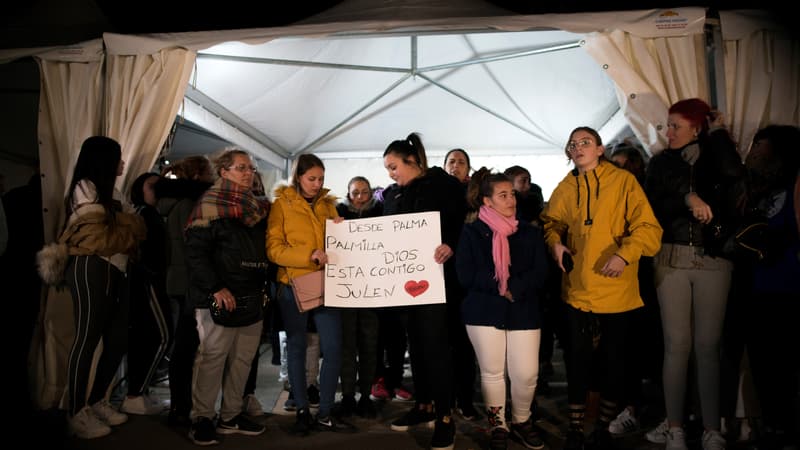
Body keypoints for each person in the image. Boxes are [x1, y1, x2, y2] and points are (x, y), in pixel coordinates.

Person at [541, 126, 662, 450]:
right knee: (577, 361)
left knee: (614, 363)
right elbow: (550, 222)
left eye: (585, 142)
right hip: (578, 290)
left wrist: (624, 255)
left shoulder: (623, 182)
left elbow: (649, 228)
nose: (578, 147)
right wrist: (556, 244)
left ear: (599, 149)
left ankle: (604, 428)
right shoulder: (567, 186)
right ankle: (576, 428)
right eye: (573, 144)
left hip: (617, 290)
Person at [644, 98, 744, 450]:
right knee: (677, 345)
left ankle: (711, 428)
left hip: (714, 258)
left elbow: (735, 178)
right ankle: (675, 428)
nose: (667, 132)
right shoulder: (660, 162)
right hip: (671, 255)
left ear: (696, 127)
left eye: (675, 125)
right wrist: (687, 197)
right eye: (667, 125)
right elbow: (653, 204)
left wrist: (717, 132)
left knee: (707, 346)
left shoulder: (717, 156)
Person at [382, 132, 467, 450]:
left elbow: (461, 225)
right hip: (403, 287)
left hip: (438, 282)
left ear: (412, 161)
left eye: (393, 166)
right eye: (387, 169)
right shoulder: (391, 196)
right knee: (415, 348)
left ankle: (446, 417)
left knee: (436, 349)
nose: (391, 174)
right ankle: (423, 406)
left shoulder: (444, 185)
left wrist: (451, 245)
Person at [57, 136, 146, 439]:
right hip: (90, 268)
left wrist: (121, 225)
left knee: (119, 339)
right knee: (87, 338)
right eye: (118, 157)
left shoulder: (114, 191)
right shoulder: (85, 186)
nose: (123, 163)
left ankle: (96, 400)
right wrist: (126, 227)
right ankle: (75, 410)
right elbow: (99, 239)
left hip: (117, 269)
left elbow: (137, 229)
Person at [456, 167, 549, 450]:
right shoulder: (472, 233)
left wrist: (515, 288)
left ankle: (522, 420)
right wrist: (499, 285)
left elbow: (541, 271)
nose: (512, 200)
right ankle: (498, 424)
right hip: (484, 311)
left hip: (523, 309)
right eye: (503, 195)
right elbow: (465, 273)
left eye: (512, 194)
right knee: (492, 372)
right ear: (487, 201)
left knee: (526, 373)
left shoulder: (529, 232)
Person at [184, 149, 270, 445]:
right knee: (212, 358)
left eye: (250, 168)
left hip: (251, 296)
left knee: (242, 360)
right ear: (224, 172)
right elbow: (195, 253)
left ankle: (230, 416)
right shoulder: (209, 205)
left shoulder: (257, 209)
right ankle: (203, 417)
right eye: (241, 168)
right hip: (219, 296)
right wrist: (215, 288)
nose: (248, 173)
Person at [267, 153, 354, 435]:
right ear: (298, 176)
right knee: (297, 346)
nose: (317, 184)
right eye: (311, 178)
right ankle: (302, 409)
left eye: (321, 179)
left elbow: (335, 243)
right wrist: (308, 255)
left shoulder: (329, 205)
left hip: (328, 284)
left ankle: (326, 411)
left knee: (333, 348)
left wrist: (342, 231)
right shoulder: (282, 205)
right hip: (293, 285)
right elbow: (273, 249)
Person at [725, 125, 800, 449]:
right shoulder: (755, 189)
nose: (753, 152)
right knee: (763, 368)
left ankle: (788, 430)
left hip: (789, 289)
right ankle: (773, 428)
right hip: (755, 291)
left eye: (760, 147)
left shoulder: (794, 184)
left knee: (787, 367)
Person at [606, 142, 663, 436]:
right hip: (617, 282)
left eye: (627, 165)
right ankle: (630, 407)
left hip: (647, 277)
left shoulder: (647, 194)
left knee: (654, 345)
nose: (621, 171)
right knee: (624, 348)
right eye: (616, 164)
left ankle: (664, 411)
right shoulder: (607, 194)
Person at [154, 155, 214, 427]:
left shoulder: (171, 203)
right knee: (188, 345)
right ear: (200, 175)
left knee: (184, 343)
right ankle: (182, 406)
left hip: (177, 279)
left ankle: (181, 404)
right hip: (191, 281)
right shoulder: (190, 204)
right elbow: (194, 247)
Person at [122, 172, 171, 415]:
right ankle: (135, 393)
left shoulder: (154, 213)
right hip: (147, 281)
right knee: (160, 336)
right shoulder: (142, 213)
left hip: (154, 279)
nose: (158, 188)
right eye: (153, 185)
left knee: (152, 337)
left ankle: (139, 392)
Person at [335, 176, 383, 418]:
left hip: (372, 293)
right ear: (348, 193)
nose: (361, 197)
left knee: (369, 346)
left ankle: (365, 396)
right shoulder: (337, 213)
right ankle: (346, 397)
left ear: (371, 193)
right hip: (345, 292)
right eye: (356, 193)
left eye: (365, 192)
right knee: (346, 346)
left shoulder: (382, 213)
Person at [443, 148, 481, 420]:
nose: (455, 166)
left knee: (467, 345)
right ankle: (444, 398)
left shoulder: (476, 200)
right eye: (451, 161)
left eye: (461, 162)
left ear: (468, 168)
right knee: (443, 344)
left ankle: (466, 399)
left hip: (468, 284)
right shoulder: (435, 196)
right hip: (438, 281)